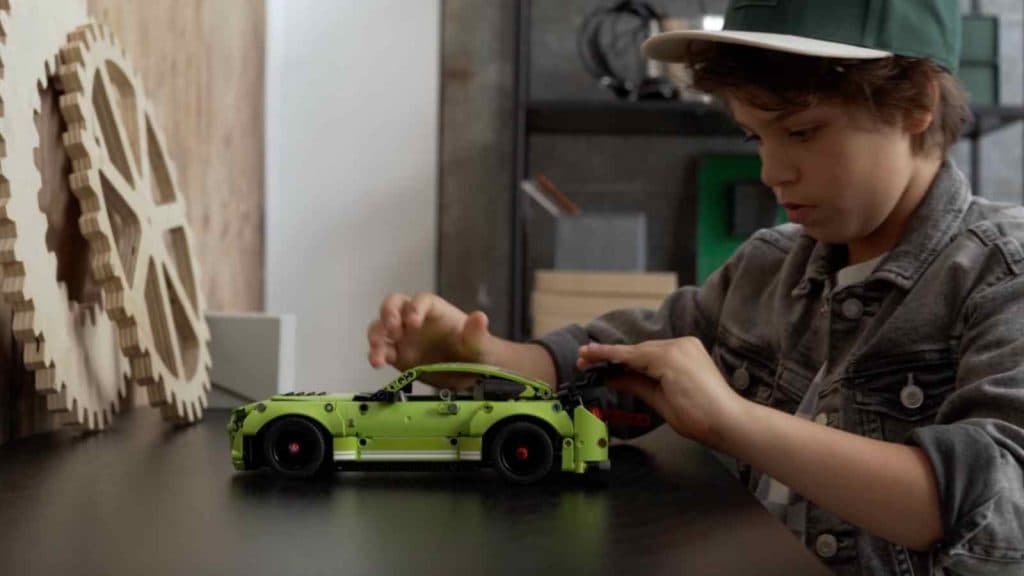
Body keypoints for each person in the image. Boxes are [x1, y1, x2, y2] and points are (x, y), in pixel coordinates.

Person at [366, 1, 1024, 573]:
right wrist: (476, 358)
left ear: (916, 104)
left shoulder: (1003, 272)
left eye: (801, 132)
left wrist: (734, 422)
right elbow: (604, 357)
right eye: (754, 135)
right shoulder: (766, 267)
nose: (772, 170)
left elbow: (996, 506)